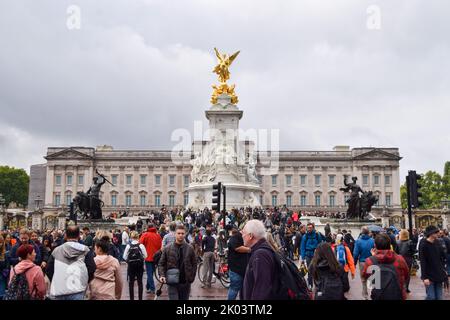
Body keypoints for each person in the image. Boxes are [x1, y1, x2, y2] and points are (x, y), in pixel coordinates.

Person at [46, 225, 96, 300]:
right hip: (78, 289)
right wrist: (83, 280)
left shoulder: (57, 250)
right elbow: (91, 268)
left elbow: (49, 269)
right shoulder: (85, 250)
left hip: (59, 289)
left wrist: (57, 279)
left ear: (65, 236)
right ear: (79, 236)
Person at [362, 233, 409, 300]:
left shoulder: (370, 261)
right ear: (390, 245)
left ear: (375, 245)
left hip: (378, 295)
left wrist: (374, 257)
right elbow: (406, 274)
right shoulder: (399, 259)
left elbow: (365, 276)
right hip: (397, 294)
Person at [158, 225, 197, 300]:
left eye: (182, 233)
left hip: (185, 282)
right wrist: (162, 275)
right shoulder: (167, 248)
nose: (180, 235)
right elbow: (161, 263)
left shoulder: (190, 248)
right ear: (175, 234)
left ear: (185, 234)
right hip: (172, 281)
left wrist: (191, 277)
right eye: (178, 233)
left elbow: (194, 263)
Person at [241, 220, 277, 300]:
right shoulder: (263, 250)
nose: (242, 236)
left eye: (243, 233)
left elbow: (262, 289)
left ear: (250, 236)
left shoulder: (260, 255)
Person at [419, 226, 448, 300]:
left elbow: (443, 257)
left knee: (439, 297)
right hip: (429, 275)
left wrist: (444, 270)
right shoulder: (423, 244)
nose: (438, 233)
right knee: (431, 297)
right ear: (431, 233)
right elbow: (423, 261)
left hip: (439, 273)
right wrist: (424, 277)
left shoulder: (438, 242)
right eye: (436, 232)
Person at [227, 227, 250, 300]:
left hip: (242, 270)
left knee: (242, 290)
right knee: (234, 289)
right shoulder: (236, 236)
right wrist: (249, 249)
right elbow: (236, 247)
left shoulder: (243, 237)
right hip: (236, 270)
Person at [123, 231, 147, 300]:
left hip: (131, 266)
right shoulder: (141, 245)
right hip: (139, 266)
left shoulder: (128, 246)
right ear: (138, 237)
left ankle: (132, 298)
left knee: (131, 283)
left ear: (131, 237)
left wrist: (129, 260)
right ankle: (140, 298)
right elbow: (145, 255)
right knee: (140, 283)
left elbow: (124, 257)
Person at [352, 226, 375, 300]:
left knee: (363, 279)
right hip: (372, 261)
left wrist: (354, 263)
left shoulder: (358, 241)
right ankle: (373, 294)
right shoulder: (372, 240)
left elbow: (355, 254)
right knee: (373, 279)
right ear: (368, 232)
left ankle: (365, 296)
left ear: (362, 232)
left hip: (363, 262)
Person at [300, 223, 325, 288]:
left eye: (310, 227)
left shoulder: (317, 235)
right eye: (308, 228)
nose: (309, 229)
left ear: (313, 228)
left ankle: (318, 283)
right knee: (310, 270)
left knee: (317, 269)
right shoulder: (305, 236)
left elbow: (321, 243)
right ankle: (310, 284)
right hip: (308, 255)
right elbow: (302, 247)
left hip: (316, 254)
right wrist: (303, 257)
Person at [140, 224, 162, 294]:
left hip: (148, 256)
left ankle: (152, 288)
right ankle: (148, 286)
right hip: (156, 257)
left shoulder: (145, 235)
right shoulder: (158, 235)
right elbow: (160, 246)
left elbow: (140, 244)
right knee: (151, 272)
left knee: (149, 273)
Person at [0, 234, 10, 299]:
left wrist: (5, 273)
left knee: (1, 294)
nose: (0, 244)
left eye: (1, 242)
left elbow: (7, 265)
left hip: (2, 278)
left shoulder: (5, 254)